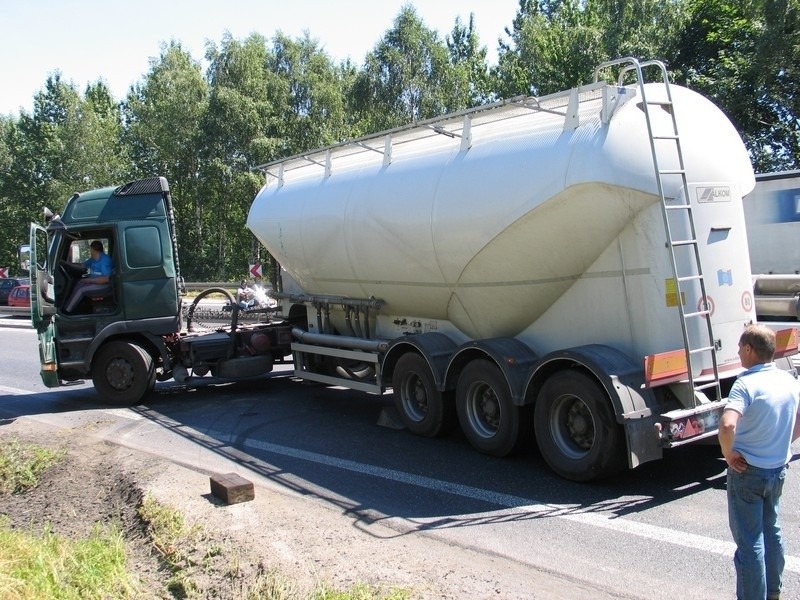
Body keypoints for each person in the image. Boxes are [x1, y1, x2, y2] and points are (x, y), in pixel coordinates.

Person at [718, 324, 800, 600]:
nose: (738, 352)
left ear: (750, 349)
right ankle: (774, 592)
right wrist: (783, 442)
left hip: (747, 473)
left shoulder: (746, 383)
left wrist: (729, 455)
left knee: (750, 542)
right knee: (772, 530)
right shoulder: (789, 380)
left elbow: (728, 424)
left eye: (740, 347)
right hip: (777, 470)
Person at [63, 240, 113, 313]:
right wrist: (67, 264)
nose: (90, 251)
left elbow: (106, 279)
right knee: (79, 283)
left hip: (105, 285)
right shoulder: (93, 259)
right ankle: (74, 306)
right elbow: (82, 266)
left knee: (81, 289)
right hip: (95, 282)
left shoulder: (104, 261)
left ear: (93, 249)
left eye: (90, 249)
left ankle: (66, 311)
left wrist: (89, 280)